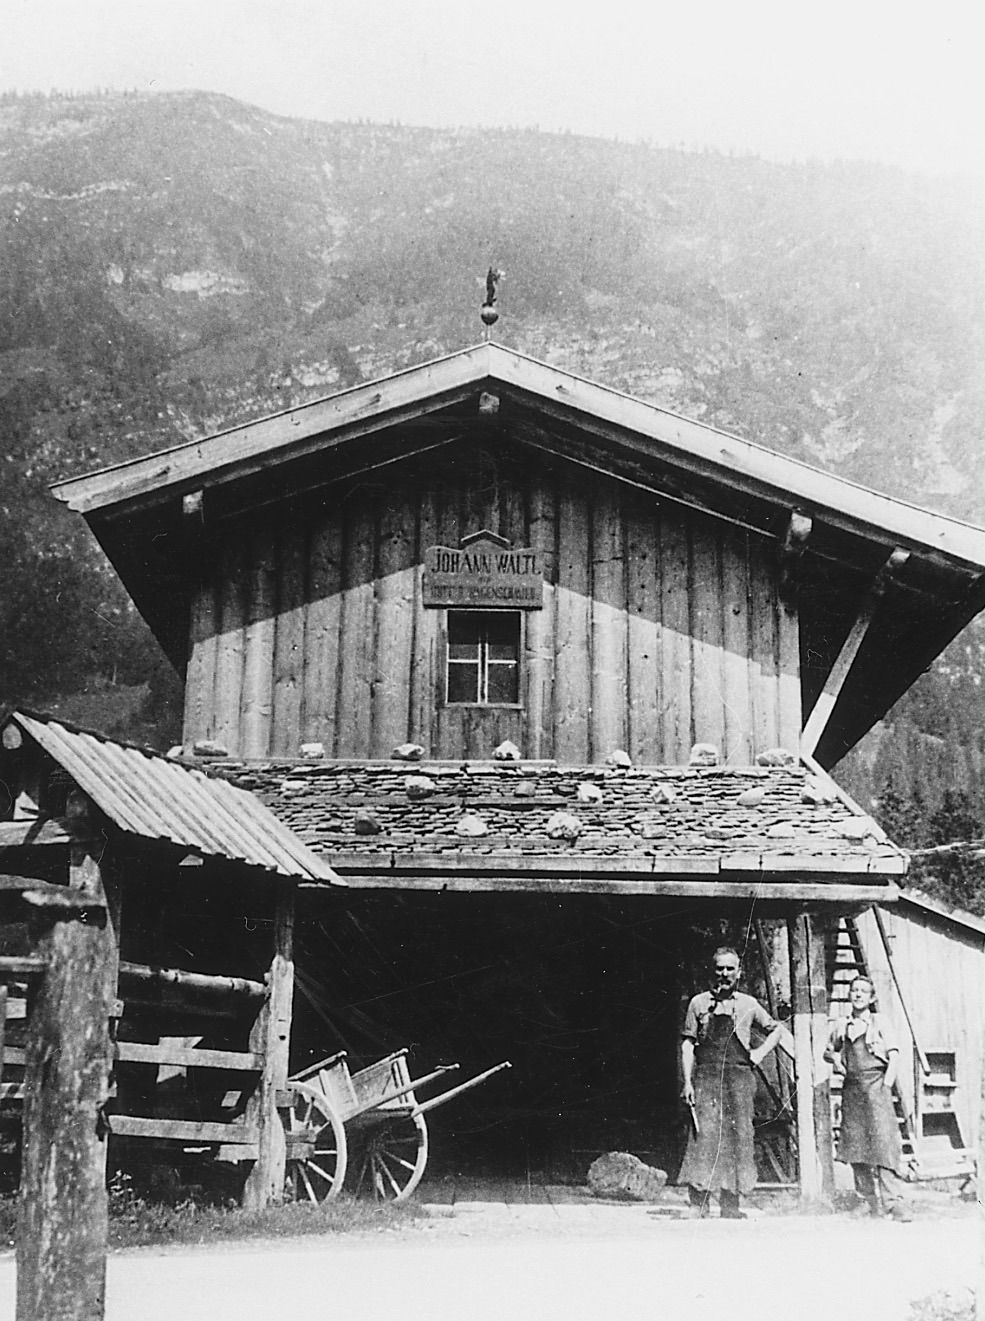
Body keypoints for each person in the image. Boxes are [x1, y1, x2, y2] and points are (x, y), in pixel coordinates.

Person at [678, 946, 783, 1218]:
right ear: (712, 971)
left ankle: (730, 1205)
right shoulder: (698, 1003)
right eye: (720, 968)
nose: (724, 974)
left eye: (730, 969)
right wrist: (687, 1082)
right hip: (707, 1078)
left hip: (739, 1080)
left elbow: (775, 1030)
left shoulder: (748, 1004)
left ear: (739, 972)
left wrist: (759, 1053)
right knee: (704, 1136)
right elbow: (688, 1044)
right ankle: (698, 1203)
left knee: (739, 1136)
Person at [824, 974, 911, 1220]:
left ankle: (893, 1203)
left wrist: (886, 1086)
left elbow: (894, 1056)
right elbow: (827, 1051)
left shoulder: (879, 1022)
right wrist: (836, 1061)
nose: (858, 995)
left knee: (884, 1143)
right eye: (854, 990)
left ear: (871, 998)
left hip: (876, 1087)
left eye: (863, 991)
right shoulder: (842, 1025)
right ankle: (867, 1202)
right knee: (856, 1144)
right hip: (852, 1090)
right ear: (849, 995)